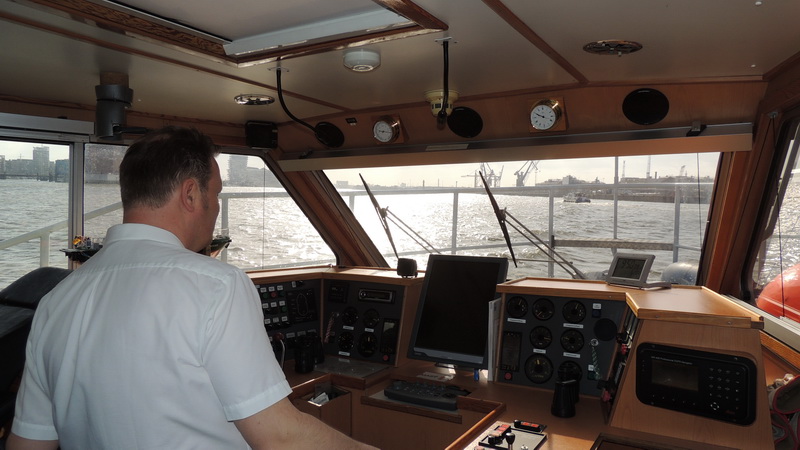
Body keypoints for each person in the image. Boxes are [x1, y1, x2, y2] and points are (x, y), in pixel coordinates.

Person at [8, 127, 376, 450]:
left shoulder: (55, 302)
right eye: (215, 193)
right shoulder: (217, 285)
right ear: (190, 195)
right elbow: (279, 437)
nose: (216, 207)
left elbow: (28, 442)